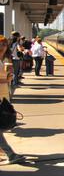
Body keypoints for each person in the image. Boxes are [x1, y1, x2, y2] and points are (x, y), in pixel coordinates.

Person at [0, 35, 25, 164]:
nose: (3, 47)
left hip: (2, 96)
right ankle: (10, 154)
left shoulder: (2, 60)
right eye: (1, 45)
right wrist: (7, 79)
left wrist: (8, 74)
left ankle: (7, 153)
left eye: (5, 44)